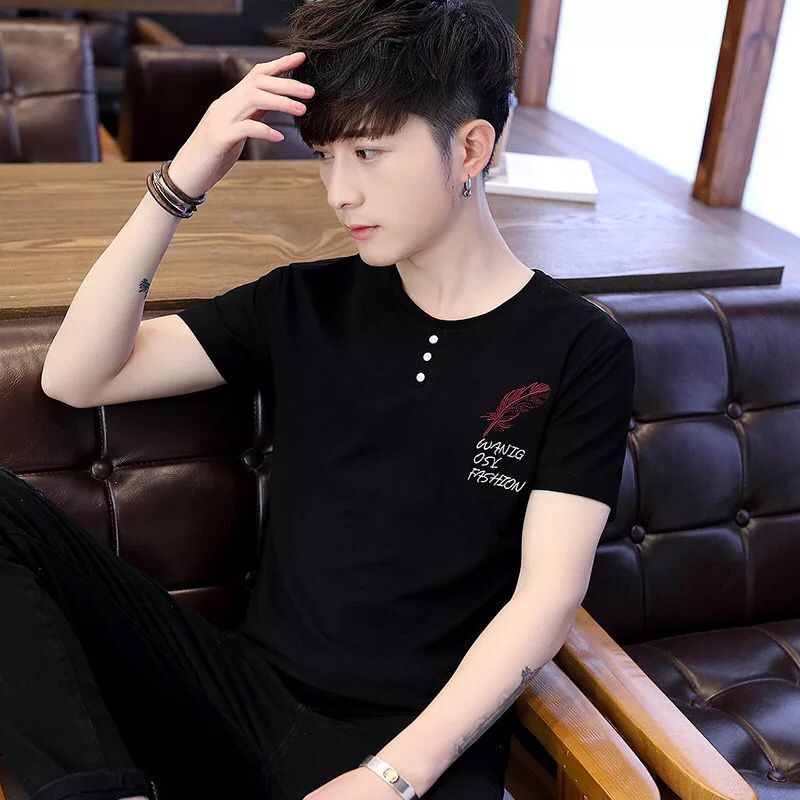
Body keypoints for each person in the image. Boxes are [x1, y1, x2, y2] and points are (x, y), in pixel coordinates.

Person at [1, 1, 635, 799]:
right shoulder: (303, 303)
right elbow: (76, 376)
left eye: (369, 153)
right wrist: (182, 178)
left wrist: (392, 777)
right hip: (243, 698)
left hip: (413, 746)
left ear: (471, 148)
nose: (340, 192)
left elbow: (548, 595)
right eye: (327, 156)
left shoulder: (580, 348)